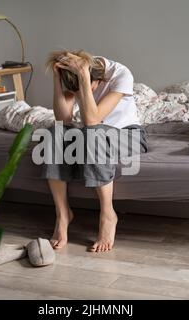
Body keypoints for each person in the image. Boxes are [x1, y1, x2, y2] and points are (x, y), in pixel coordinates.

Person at [43, 50, 147, 252]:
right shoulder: (73, 75)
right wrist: (57, 79)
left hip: (128, 134)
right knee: (54, 133)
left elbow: (92, 120)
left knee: (94, 132)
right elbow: (63, 119)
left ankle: (108, 214)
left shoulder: (121, 73)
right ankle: (62, 214)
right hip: (93, 135)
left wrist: (84, 77)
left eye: (85, 86)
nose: (81, 93)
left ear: (97, 77)